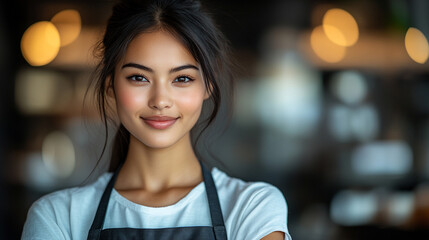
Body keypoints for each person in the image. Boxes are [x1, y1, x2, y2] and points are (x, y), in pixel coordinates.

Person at [22, 0, 291, 239]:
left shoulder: (252, 208)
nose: (160, 100)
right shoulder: (57, 217)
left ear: (208, 85)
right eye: (139, 78)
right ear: (110, 86)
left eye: (182, 78)